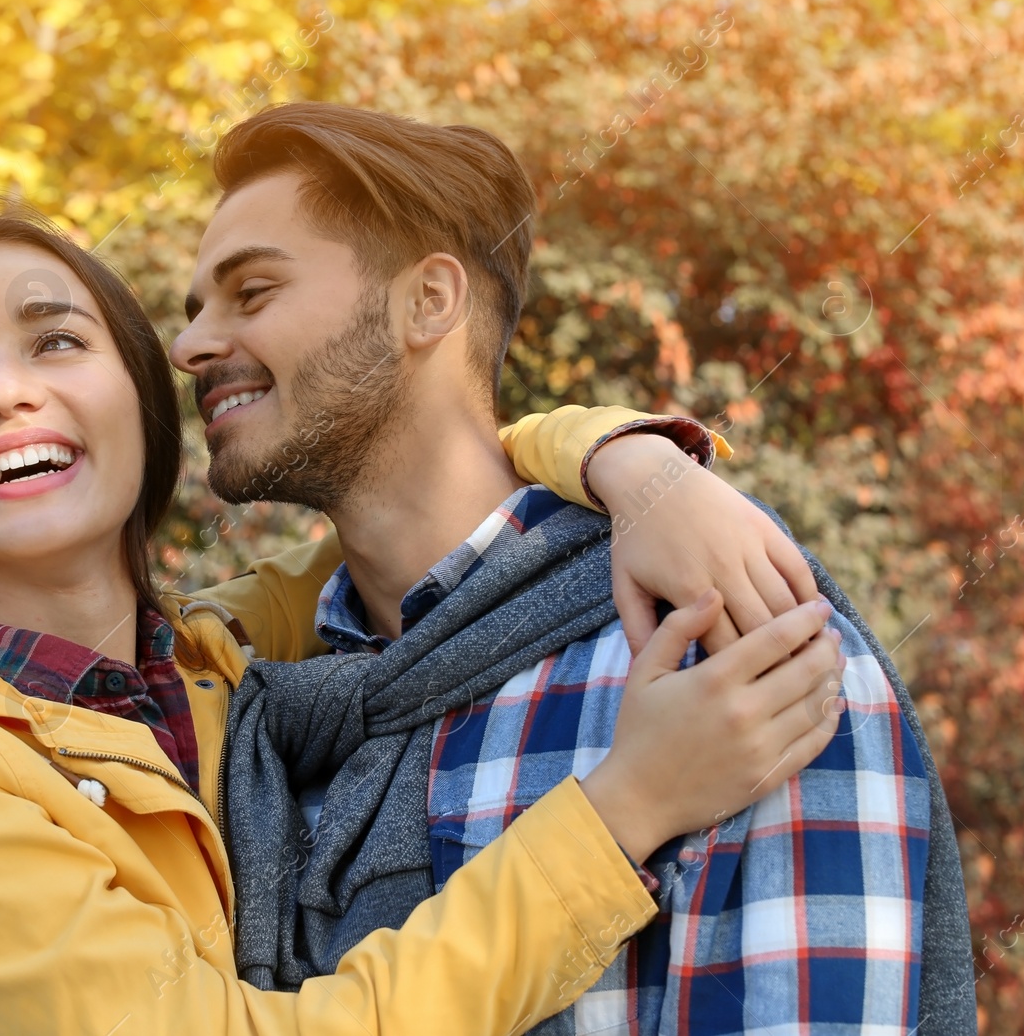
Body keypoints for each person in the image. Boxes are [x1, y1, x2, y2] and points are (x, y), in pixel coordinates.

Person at [0, 201, 843, 1035]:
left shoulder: (219, 653)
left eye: (53, 341)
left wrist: (637, 463)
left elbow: (426, 486)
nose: (1, 390)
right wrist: (625, 807)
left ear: (141, 404)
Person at [171, 103, 974, 1035]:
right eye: (195, 312)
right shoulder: (268, 720)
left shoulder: (717, 640)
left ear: (428, 302)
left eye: (253, 292)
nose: (190, 345)